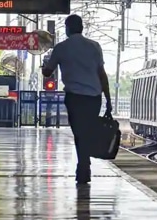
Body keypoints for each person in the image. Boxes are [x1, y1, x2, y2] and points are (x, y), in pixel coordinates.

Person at [41, 14, 112, 184]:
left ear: (67, 28)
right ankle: (84, 164)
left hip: (74, 98)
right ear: (82, 28)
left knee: (79, 132)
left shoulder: (61, 48)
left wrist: (45, 66)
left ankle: (83, 165)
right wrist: (108, 99)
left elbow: (47, 72)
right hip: (94, 98)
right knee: (86, 131)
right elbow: (102, 75)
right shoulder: (95, 47)